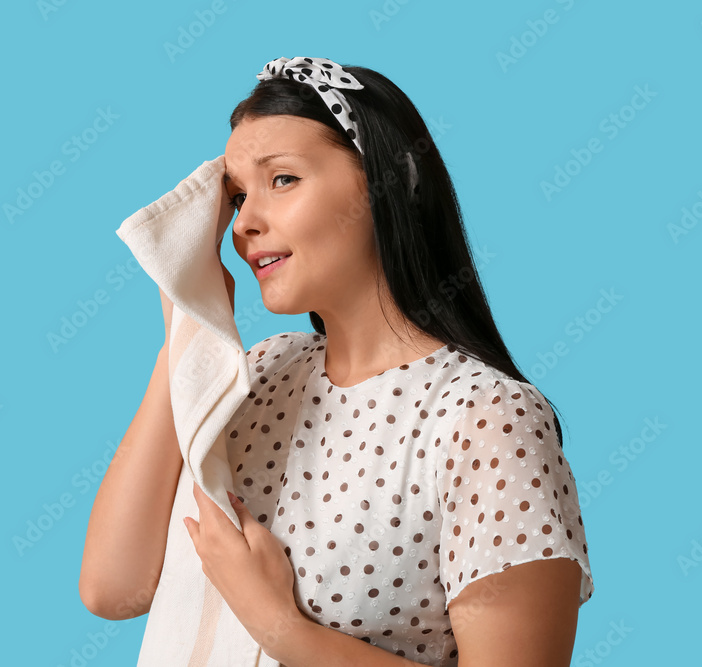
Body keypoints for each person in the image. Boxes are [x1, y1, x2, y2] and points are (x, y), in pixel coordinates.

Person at [81, 56, 594, 666]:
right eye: (238, 196)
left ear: (390, 182)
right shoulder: (259, 374)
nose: (244, 224)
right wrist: (187, 327)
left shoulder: (485, 419)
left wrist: (279, 625)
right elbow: (114, 588)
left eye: (283, 180)